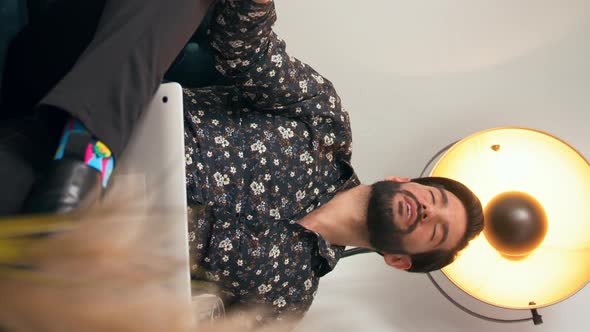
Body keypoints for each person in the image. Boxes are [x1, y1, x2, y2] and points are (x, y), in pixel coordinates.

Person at [182, 0, 484, 322]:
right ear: (401, 180)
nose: (428, 211)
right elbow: (244, 51)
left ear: (398, 260)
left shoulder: (284, 304)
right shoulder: (324, 119)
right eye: (434, 199)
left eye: (437, 230)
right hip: (132, 119)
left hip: (125, 239)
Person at [0, 0, 214, 215]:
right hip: (61, 55)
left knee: (15, 191)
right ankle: (87, 155)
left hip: (40, 135)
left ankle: (79, 169)